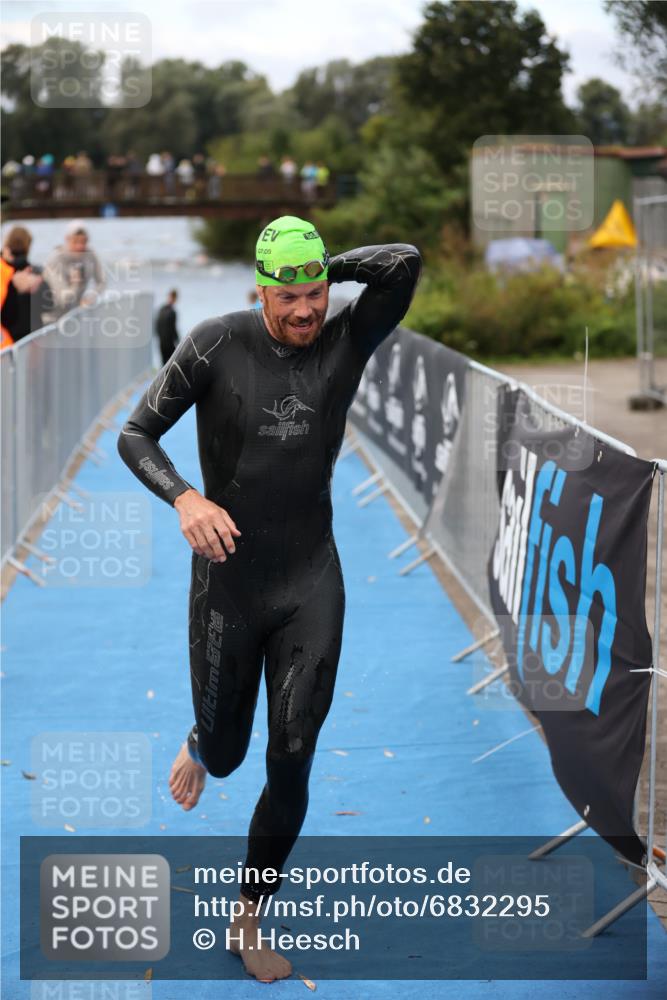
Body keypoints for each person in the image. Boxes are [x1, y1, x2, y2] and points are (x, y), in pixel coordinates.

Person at [117, 216, 421, 983]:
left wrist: (328, 265)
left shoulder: (346, 339)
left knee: (291, 758)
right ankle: (199, 739)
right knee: (225, 757)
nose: (304, 312)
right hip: (230, 583)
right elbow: (135, 434)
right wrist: (187, 499)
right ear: (260, 290)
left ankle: (247, 912)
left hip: (309, 578)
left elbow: (403, 265)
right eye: (287, 297)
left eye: (314, 293)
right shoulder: (216, 343)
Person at [42, 220, 105, 324]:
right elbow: (64, 300)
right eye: (75, 242)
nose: (80, 246)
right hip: (52, 318)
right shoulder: (56, 259)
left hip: (74, 315)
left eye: (83, 242)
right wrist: (75, 283)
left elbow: (102, 281)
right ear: (67, 239)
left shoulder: (90, 255)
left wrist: (90, 297)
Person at [0, 226, 50, 342]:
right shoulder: (33, 272)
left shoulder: (8, 271)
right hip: (28, 335)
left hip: (13, 339)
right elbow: (48, 302)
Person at [154, 289, 180, 364]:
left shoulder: (161, 309)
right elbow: (173, 330)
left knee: (163, 365)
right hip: (169, 344)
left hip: (161, 343)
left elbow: (157, 326)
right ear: (175, 298)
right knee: (173, 364)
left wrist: (160, 338)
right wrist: (179, 342)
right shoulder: (172, 312)